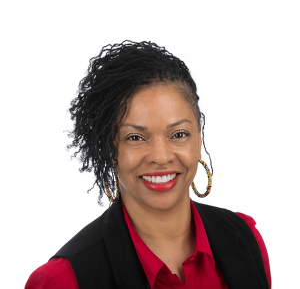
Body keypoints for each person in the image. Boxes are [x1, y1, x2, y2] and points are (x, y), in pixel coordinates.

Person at [25, 40, 271, 289]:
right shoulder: (62, 281)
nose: (161, 157)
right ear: (109, 148)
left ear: (199, 138)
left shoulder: (246, 240)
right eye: (135, 138)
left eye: (178, 134)